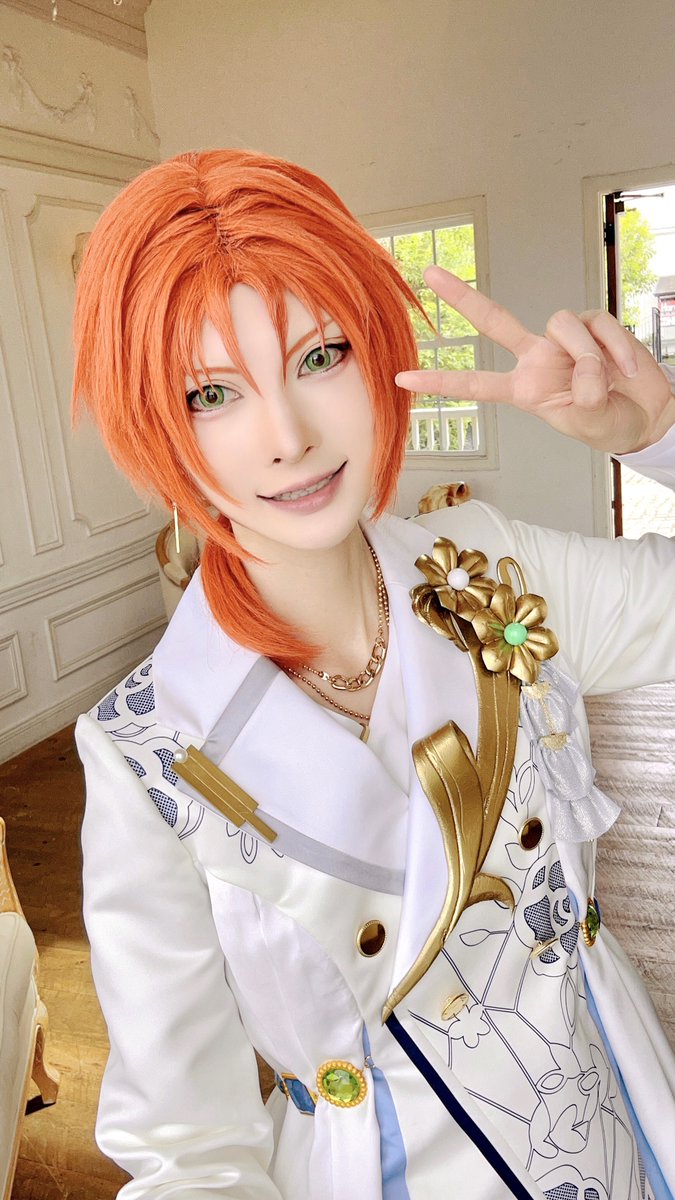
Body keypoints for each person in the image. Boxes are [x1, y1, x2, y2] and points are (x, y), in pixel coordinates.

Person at [73, 148, 675, 1200]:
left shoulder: (489, 571)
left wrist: (660, 439)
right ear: (153, 425)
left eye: (321, 355)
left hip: (625, 1124)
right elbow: (188, 1151)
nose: (288, 438)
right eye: (211, 393)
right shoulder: (147, 753)